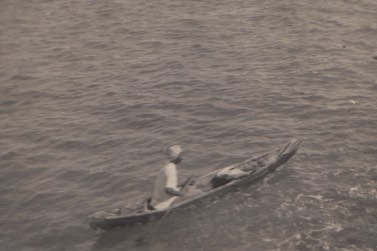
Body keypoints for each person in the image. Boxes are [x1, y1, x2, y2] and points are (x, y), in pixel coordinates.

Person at [149, 145, 187, 210]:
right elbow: (168, 190)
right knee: (197, 193)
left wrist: (183, 185)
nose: (182, 158)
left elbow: (168, 185)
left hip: (156, 201)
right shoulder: (171, 169)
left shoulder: (167, 166)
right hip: (164, 204)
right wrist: (182, 194)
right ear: (176, 157)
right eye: (181, 155)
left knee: (186, 189)